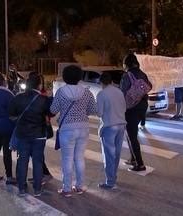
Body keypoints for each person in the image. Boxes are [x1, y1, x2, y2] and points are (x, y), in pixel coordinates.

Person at [50, 65, 97, 197]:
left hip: (67, 129)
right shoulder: (86, 92)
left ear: (65, 77)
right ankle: (80, 186)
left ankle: (67, 189)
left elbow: (53, 110)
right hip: (83, 127)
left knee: (67, 159)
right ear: (79, 77)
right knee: (79, 158)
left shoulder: (61, 92)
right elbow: (93, 110)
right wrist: (82, 111)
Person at [9, 74, 52, 197]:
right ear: (39, 85)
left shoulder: (18, 98)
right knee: (38, 161)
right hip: (39, 135)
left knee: (22, 160)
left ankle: (21, 188)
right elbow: (50, 114)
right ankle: (38, 189)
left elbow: (11, 115)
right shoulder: (43, 99)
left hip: (22, 135)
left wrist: (20, 123)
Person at [120, 53, 152, 172]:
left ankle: (140, 164)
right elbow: (149, 86)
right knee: (131, 133)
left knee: (131, 135)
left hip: (131, 108)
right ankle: (133, 158)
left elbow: (123, 92)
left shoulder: (127, 75)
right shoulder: (142, 73)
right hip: (142, 106)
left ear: (126, 64)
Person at [96, 72, 127, 190]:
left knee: (109, 155)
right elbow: (124, 108)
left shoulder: (101, 94)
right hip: (121, 125)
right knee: (117, 154)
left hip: (109, 126)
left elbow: (99, 113)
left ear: (101, 82)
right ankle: (113, 177)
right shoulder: (119, 92)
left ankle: (110, 182)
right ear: (111, 81)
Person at [26, 71, 53, 184]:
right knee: (35, 153)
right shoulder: (38, 95)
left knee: (36, 153)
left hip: (38, 129)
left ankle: (44, 174)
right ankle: (41, 174)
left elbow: (50, 111)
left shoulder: (42, 96)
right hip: (36, 129)